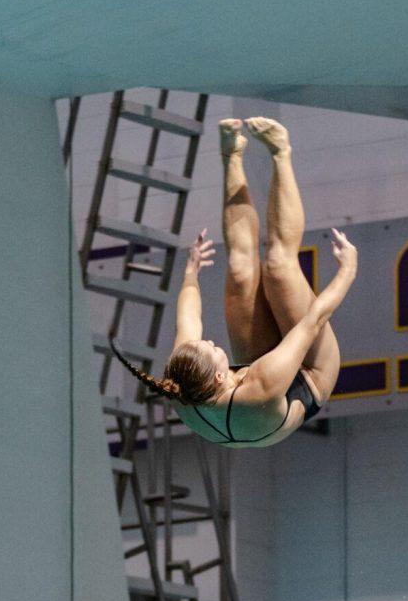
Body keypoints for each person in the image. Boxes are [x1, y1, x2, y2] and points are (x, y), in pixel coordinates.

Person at [110, 117, 357, 447]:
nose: (213, 343)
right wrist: (347, 270)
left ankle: (232, 155)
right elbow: (313, 321)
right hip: (309, 377)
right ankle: (281, 151)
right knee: (279, 266)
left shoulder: (182, 382)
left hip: (239, 394)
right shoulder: (260, 385)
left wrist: (191, 274)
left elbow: (188, 317)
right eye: (213, 350)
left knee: (241, 270)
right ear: (219, 375)